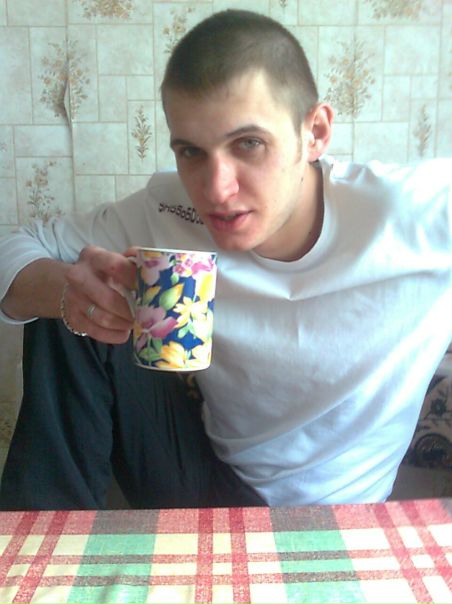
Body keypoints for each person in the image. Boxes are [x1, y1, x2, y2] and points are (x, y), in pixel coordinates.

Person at [0, 9, 451, 510]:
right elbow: (17, 249)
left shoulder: (414, 215)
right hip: (203, 481)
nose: (216, 190)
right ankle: (44, 549)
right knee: (72, 297)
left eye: (248, 144)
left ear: (315, 132)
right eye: (191, 152)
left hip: (342, 515)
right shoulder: (167, 208)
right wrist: (72, 296)